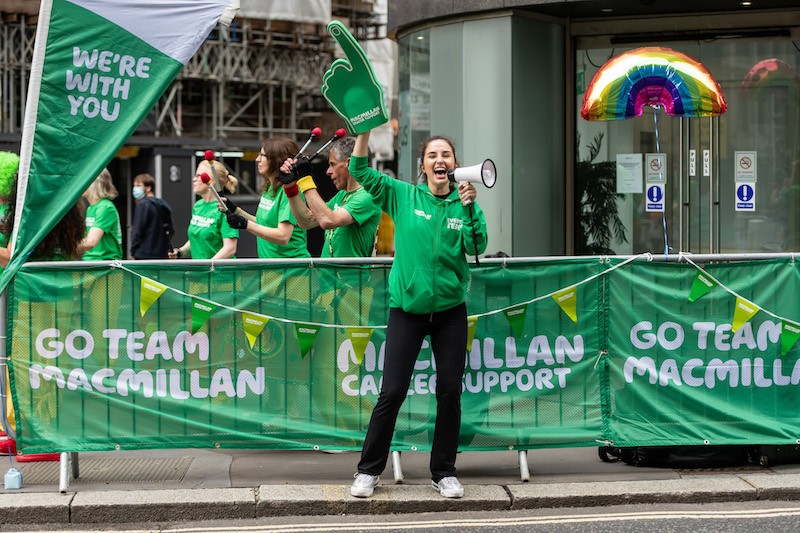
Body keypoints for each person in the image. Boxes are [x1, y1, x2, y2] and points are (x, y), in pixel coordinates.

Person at [346, 130, 488, 499]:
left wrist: (470, 206)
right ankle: (367, 471)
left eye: (446, 155)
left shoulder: (463, 202)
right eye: (432, 155)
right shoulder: (402, 195)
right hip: (406, 311)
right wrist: (363, 131)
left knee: (449, 392)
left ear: (455, 165)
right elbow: (359, 169)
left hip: (450, 313)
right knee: (392, 391)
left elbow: (477, 246)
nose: (439, 160)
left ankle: (443, 472)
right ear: (423, 166)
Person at [280, 136, 381, 258]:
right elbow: (306, 221)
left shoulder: (368, 196)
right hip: (328, 276)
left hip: (351, 277)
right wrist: (291, 188)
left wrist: (305, 179)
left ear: (349, 164)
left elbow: (328, 220)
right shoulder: (342, 195)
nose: (328, 171)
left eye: (332, 165)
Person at [222, 137, 310, 258]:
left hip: (291, 272)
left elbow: (283, 236)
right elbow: (264, 224)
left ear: (276, 160)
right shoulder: (269, 187)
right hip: (270, 269)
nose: (257, 159)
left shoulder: (289, 192)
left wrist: (245, 224)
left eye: (263, 155)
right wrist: (237, 211)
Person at [168, 159, 238, 259]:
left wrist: (208, 268)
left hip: (221, 274)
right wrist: (180, 252)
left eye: (198, 176)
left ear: (212, 181)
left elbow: (230, 248)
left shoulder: (224, 208)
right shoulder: (198, 206)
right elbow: (196, 239)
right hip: (202, 273)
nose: (193, 179)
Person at [78, 169, 123, 260]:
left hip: (105, 266)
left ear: (96, 184)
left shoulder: (105, 207)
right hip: (93, 264)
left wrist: (64, 249)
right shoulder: (92, 208)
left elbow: (91, 242)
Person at [130, 173, 174, 259]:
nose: (135, 188)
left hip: (143, 254)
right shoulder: (163, 205)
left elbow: (137, 231)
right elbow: (171, 230)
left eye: (138, 185)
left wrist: (133, 250)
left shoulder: (143, 205)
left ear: (148, 188)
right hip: (161, 254)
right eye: (134, 185)